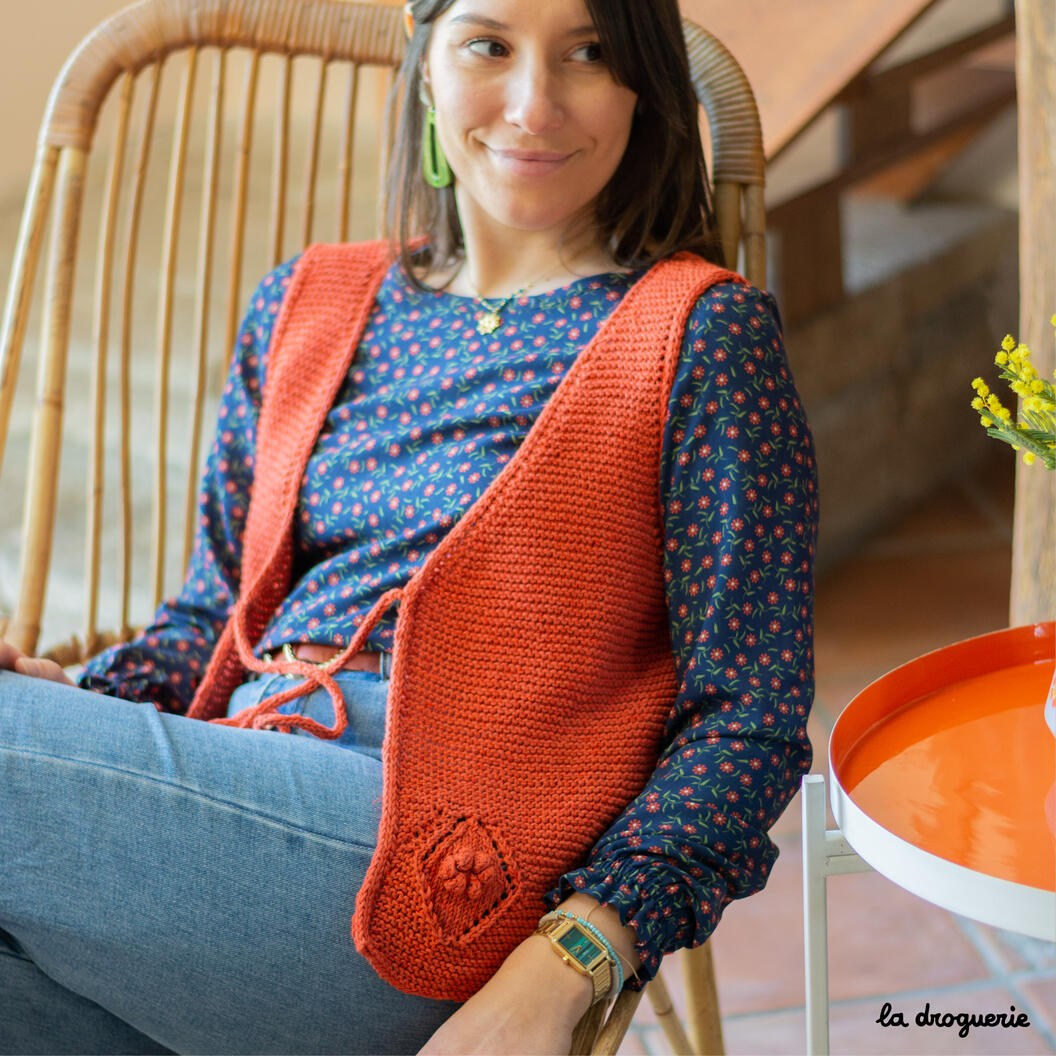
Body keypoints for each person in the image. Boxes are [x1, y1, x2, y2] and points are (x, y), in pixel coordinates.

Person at [0, 0, 818, 1052]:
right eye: (489, 45)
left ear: (642, 86)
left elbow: (747, 718)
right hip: (228, 797)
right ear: (425, 64)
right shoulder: (306, 300)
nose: (534, 104)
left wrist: (568, 960)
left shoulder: (702, 334)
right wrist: (78, 702)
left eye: (590, 54)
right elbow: (214, 611)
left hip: (440, 873)